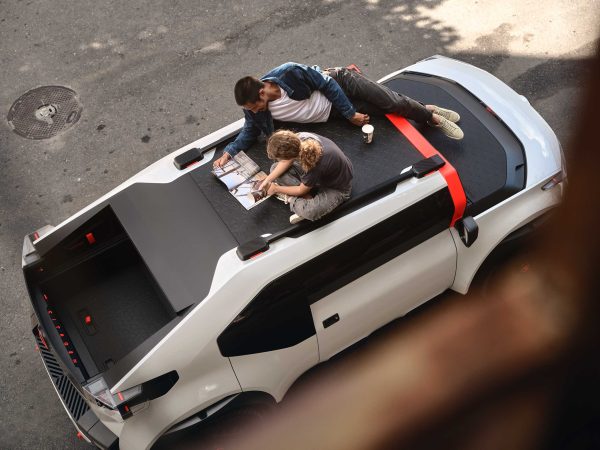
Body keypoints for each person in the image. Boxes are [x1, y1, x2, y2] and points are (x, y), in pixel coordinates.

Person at [213, 62, 463, 167]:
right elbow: (249, 131)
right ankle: (428, 109)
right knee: (386, 110)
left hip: (342, 83)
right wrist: (229, 152)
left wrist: (350, 114)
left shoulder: (289, 73)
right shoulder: (255, 112)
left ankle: (432, 119)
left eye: (253, 107)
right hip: (331, 112)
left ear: (261, 93)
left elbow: (328, 85)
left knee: (390, 101)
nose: (252, 112)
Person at [262, 130, 353, 224]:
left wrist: (276, 189)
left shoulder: (312, 165)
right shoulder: (298, 138)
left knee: (310, 212)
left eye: (279, 158)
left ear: (288, 156)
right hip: (322, 173)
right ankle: (307, 197)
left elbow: (301, 190)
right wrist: (267, 180)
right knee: (274, 168)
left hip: (337, 187)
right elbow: (287, 161)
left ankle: (291, 199)